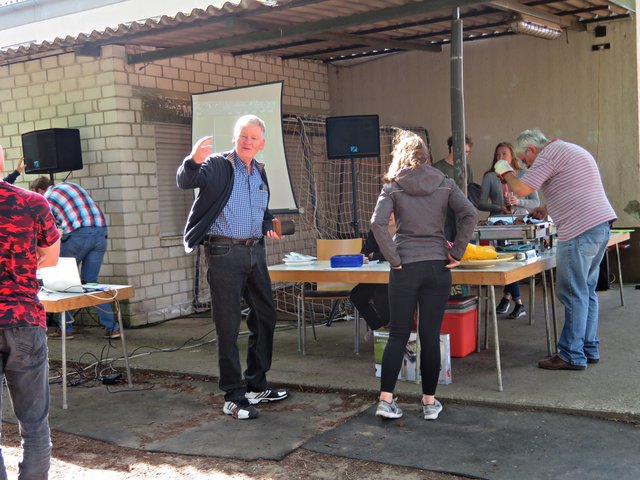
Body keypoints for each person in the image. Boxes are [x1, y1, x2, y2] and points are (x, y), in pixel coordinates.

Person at [177, 114, 288, 420]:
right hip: (223, 252)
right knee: (227, 326)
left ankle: (255, 385)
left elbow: (262, 211)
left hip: (255, 252)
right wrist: (193, 160)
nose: (247, 142)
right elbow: (186, 181)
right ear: (234, 139)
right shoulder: (217, 165)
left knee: (265, 316)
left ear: (262, 143)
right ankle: (233, 396)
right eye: (243, 136)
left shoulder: (260, 172)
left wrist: (268, 224)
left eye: (253, 138)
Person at [370, 131, 477, 421]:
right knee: (430, 336)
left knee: (398, 334)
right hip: (437, 266)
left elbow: (377, 223)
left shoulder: (393, 186)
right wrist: (457, 252)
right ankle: (429, 403)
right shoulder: (445, 182)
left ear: (399, 156)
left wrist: (394, 259)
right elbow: (470, 214)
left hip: (405, 266)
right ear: (426, 155)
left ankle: (386, 400)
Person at [494, 129, 617, 370]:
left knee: (572, 293)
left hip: (579, 230)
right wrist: (547, 209)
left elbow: (522, 189)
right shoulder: (570, 149)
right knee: (586, 291)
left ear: (532, 149)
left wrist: (505, 171)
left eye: (525, 160)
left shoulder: (548, 154)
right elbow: (575, 188)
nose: (526, 165)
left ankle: (571, 354)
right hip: (599, 225)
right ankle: (588, 347)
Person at [1, 144, 61, 479]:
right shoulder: (33, 202)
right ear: (2, 163)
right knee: (35, 426)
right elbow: (51, 257)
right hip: (24, 318)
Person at [30, 176, 120, 340]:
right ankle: (112, 328)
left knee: (63, 282)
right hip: (101, 233)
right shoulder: (71, 185)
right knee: (91, 284)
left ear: (40, 190)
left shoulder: (47, 197)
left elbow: (44, 229)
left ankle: (66, 329)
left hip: (79, 235)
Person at [478, 142, 540, 319]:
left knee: (514, 261)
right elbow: (480, 203)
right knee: (506, 262)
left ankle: (507, 298)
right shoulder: (490, 176)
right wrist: (499, 207)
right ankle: (518, 302)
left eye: (504, 154)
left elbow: (535, 202)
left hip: (520, 225)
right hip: (499, 225)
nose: (500, 158)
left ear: (512, 156)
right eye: (497, 155)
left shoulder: (524, 174)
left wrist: (519, 202)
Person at [349, 214, 395, 332]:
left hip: (400, 277)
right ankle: (378, 329)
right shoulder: (376, 230)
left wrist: (376, 255)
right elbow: (365, 252)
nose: (389, 215)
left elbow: (401, 254)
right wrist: (371, 256)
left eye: (393, 211)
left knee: (383, 292)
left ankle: (391, 328)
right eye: (387, 211)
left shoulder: (407, 232)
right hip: (377, 277)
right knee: (357, 295)